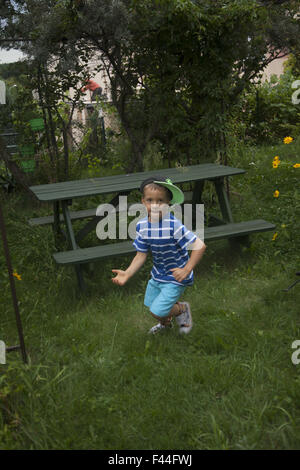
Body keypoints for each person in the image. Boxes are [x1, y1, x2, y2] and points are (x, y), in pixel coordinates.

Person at [111, 176, 206, 334]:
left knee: (158, 311)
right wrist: (127, 273)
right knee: (151, 304)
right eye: (150, 200)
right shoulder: (142, 226)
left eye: (160, 201)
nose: (155, 205)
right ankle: (165, 326)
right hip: (158, 276)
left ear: (168, 203)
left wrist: (187, 269)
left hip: (176, 277)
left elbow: (199, 245)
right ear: (143, 201)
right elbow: (141, 254)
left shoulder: (173, 226)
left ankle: (182, 309)